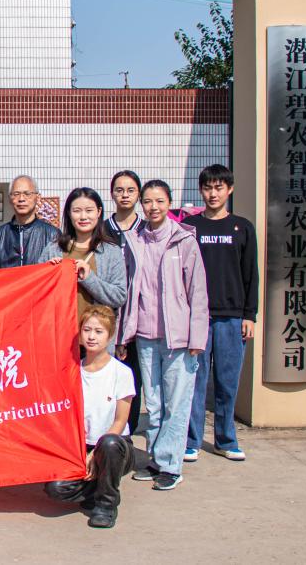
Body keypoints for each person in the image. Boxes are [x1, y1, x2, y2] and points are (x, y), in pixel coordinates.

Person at [118, 179, 208, 491]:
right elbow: (129, 290)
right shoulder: (134, 240)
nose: (153, 207)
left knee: (176, 402)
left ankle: (171, 464)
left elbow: (198, 292)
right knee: (154, 404)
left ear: (169, 204)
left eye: (159, 201)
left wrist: (197, 338)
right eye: (148, 201)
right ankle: (157, 459)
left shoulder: (184, 240)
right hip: (145, 334)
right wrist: (124, 335)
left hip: (178, 337)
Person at [183, 164, 258, 463]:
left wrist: (249, 315)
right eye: (207, 188)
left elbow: (251, 274)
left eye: (219, 187)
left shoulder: (242, 227)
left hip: (232, 317)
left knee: (227, 383)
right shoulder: (190, 227)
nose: (213, 194)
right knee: (195, 382)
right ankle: (191, 440)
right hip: (198, 317)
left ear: (230, 189)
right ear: (201, 190)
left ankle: (226, 440)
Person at [45, 305, 135, 529]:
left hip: (114, 447)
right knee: (56, 488)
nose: (92, 336)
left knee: (110, 444)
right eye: (87, 330)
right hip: (79, 447)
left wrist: (95, 455)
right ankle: (96, 489)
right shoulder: (71, 371)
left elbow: (120, 421)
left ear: (109, 335)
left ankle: (107, 505)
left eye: (98, 331)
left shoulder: (121, 372)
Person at [38, 187, 127, 323]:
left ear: (99, 212)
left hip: (95, 333)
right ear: (69, 213)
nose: (83, 216)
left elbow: (119, 297)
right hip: (60, 331)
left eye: (89, 210)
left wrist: (89, 278)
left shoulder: (111, 251)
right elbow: (38, 292)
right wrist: (48, 273)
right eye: (77, 211)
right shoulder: (53, 249)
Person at [107, 170, 146, 434]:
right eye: (119, 190)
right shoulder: (102, 229)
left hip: (139, 315)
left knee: (133, 377)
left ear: (138, 194)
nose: (125, 195)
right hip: (107, 314)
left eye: (130, 190)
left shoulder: (146, 230)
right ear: (112, 194)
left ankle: (128, 430)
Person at [0, 175, 60, 269]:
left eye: (27, 193)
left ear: (38, 197)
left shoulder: (53, 234)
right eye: (16, 194)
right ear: (10, 198)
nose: (21, 199)